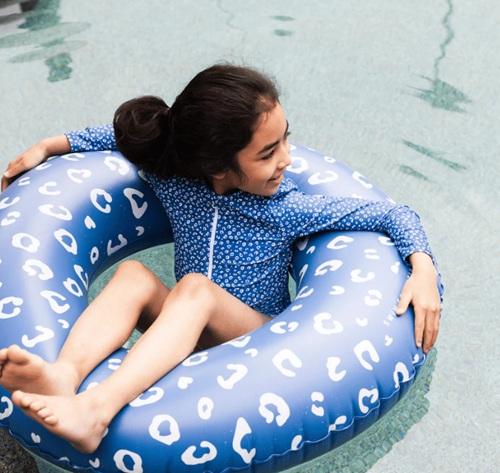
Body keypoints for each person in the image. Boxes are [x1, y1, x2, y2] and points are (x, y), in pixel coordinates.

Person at [0, 64, 442, 454]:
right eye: (268, 153)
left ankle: (96, 413)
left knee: (196, 290)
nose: (287, 159)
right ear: (216, 165)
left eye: (285, 140)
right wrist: (51, 145)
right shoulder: (175, 181)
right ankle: (64, 375)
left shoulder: (287, 208)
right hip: (186, 325)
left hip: (259, 339)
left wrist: (421, 266)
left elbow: (390, 213)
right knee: (133, 275)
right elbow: (121, 140)